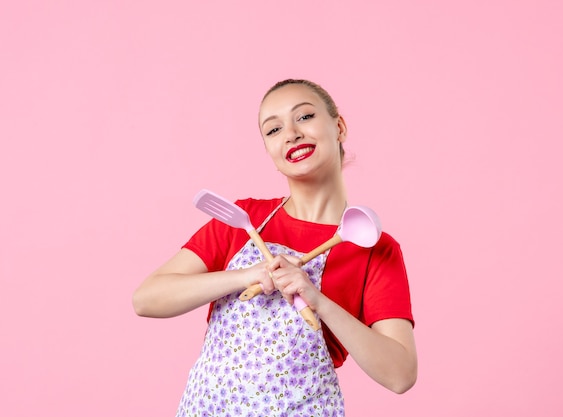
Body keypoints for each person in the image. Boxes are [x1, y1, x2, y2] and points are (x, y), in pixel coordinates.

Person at [132, 79, 417, 416]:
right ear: (270, 151)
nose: (291, 133)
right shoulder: (244, 220)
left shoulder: (373, 247)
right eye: (273, 129)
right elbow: (146, 299)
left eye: (305, 117)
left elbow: (400, 374)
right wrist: (245, 275)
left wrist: (318, 301)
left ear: (339, 127)